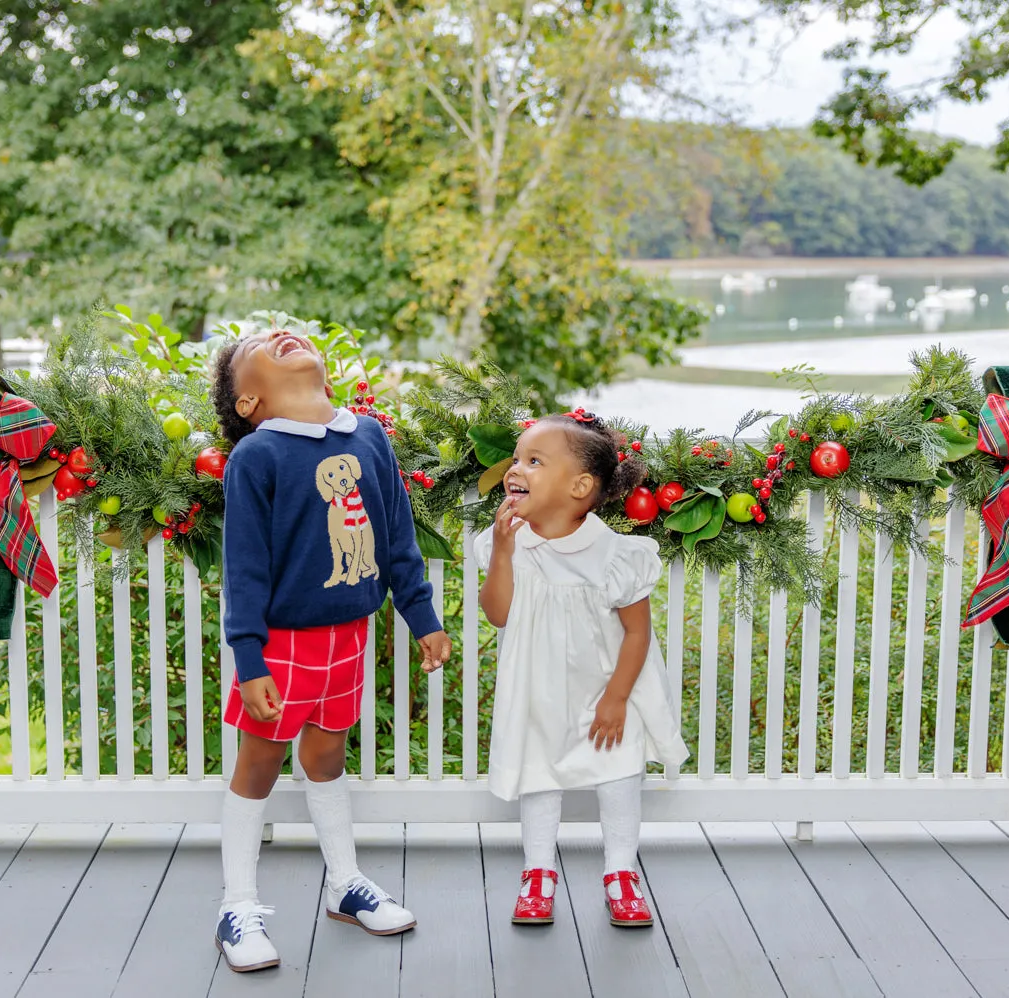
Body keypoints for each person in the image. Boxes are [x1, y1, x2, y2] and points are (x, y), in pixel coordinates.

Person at [209, 328, 452, 973]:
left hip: (349, 635)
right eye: (258, 344)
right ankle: (237, 904)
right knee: (259, 761)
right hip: (281, 643)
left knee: (325, 757)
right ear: (248, 402)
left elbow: (397, 535)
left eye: (285, 330)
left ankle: (343, 882)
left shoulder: (368, 436)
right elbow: (245, 570)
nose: (280, 334)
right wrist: (250, 657)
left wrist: (421, 614)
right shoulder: (256, 457)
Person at [476, 411, 689, 928]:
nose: (515, 470)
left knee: (618, 776)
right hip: (538, 690)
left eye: (534, 460)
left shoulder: (616, 554)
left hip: (606, 691)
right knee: (539, 775)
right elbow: (498, 614)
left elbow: (638, 633)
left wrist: (616, 698)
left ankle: (620, 871)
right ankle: (538, 872)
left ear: (579, 486)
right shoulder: (509, 544)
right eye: (518, 458)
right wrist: (503, 552)